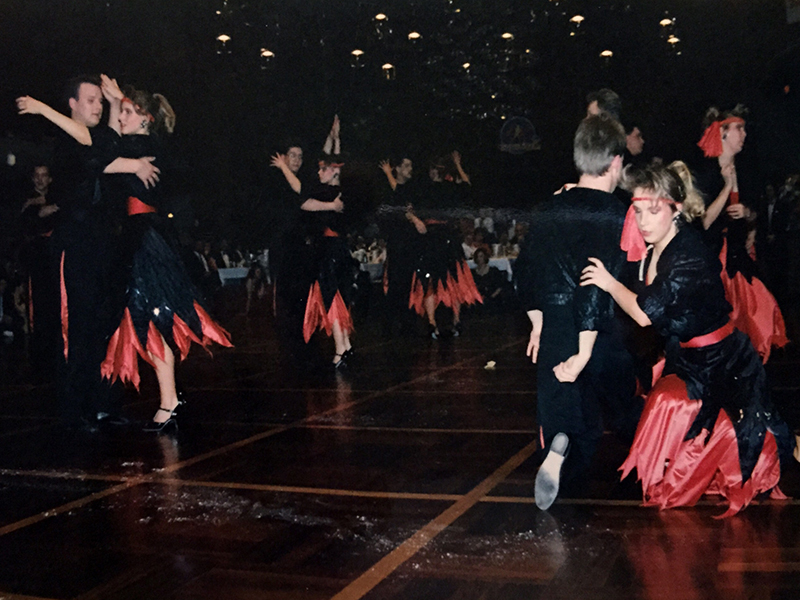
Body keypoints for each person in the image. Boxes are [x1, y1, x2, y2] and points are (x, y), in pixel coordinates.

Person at [581, 161, 793, 516]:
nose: (643, 221)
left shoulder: (687, 254)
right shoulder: (657, 243)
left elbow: (644, 314)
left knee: (728, 427)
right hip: (689, 355)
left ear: (675, 209)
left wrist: (609, 283)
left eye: (653, 212)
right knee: (650, 394)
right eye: (638, 211)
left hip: (721, 362)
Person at [17, 76, 159, 430]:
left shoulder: (96, 138)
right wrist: (41, 108)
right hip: (75, 242)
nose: (96, 106)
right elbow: (96, 151)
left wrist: (113, 104)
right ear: (73, 104)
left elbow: (107, 143)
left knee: (106, 323)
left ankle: (103, 403)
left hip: (104, 242)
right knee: (76, 325)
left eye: (99, 100)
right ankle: (75, 409)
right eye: (91, 100)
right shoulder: (67, 142)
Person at [516, 114, 629, 510]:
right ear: (615, 161)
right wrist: (583, 351)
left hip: (554, 321)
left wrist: (537, 322)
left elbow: (524, 270)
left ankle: (559, 449)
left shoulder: (549, 208)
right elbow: (594, 285)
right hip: (595, 329)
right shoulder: (614, 213)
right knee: (613, 407)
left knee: (564, 410)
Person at [694, 105, 788, 362]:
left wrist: (748, 214)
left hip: (737, 259)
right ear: (722, 133)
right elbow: (703, 222)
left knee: (759, 309)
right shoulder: (706, 173)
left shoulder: (745, 172)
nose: (744, 134)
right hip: (714, 261)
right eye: (739, 128)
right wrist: (726, 187)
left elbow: (757, 215)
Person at [300, 154, 352, 368]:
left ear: (334, 172)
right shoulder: (340, 193)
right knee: (339, 296)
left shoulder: (330, 194)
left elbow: (305, 203)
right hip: (338, 249)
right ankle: (345, 345)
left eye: (324, 169)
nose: (319, 172)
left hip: (329, 250)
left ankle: (340, 347)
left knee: (331, 297)